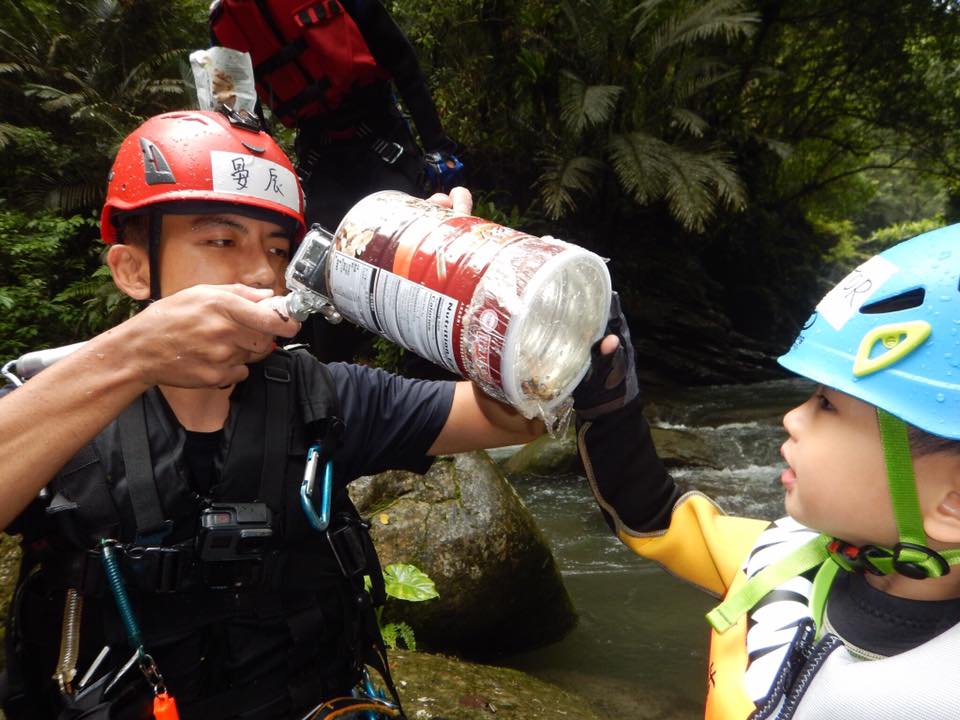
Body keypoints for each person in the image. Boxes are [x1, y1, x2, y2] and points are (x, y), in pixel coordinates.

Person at [0, 108, 539, 720]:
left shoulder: (324, 397)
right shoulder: (49, 398)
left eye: (277, 248)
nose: (262, 273)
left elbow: (520, 416)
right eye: (221, 240)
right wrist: (129, 358)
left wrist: (480, 286)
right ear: (133, 269)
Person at [573, 231, 960, 718]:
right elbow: (654, 518)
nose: (791, 418)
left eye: (826, 405)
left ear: (954, 504)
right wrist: (609, 404)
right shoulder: (787, 557)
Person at [209, 0, 464, 365]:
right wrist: (438, 145)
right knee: (381, 279)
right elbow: (401, 59)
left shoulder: (225, 17)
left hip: (340, 156)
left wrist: (437, 144)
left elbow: (238, 115)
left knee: (367, 278)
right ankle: (344, 398)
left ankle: (386, 395)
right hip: (357, 152)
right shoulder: (228, 17)